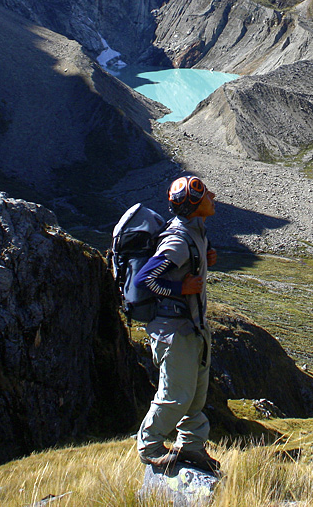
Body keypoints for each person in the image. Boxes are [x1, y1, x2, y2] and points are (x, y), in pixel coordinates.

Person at [134, 174, 220, 473]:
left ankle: (192, 446)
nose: (212, 195)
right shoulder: (177, 241)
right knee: (174, 396)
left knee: (195, 393)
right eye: (206, 194)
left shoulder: (195, 232)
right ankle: (150, 447)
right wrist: (179, 290)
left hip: (192, 327)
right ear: (195, 205)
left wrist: (206, 257)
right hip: (174, 331)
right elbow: (145, 279)